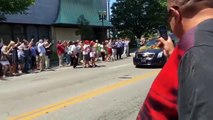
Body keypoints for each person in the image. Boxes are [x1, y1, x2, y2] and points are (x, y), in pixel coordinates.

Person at [137, 0, 213, 120]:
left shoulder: (198, 47)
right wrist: (172, 54)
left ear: (175, 14)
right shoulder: (198, 42)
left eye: (168, 17)